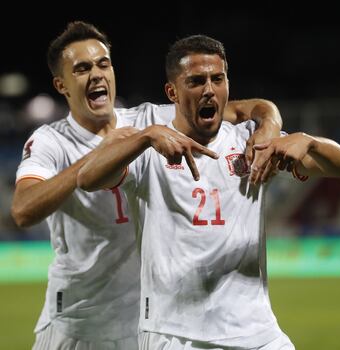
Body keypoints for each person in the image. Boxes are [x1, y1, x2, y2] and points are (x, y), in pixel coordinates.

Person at [11, 22, 284, 350]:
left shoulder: (149, 118)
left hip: (143, 326)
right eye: (82, 69)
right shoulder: (50, 142)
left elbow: (245, 109)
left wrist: (270, 123)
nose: (97, 74)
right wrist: (109, 152)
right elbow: (24, 210)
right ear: (62, 84)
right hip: (78, 322)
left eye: (103, 63)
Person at [77, 34, 340, 350]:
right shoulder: (151, 148)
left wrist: (309, 141)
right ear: (173, 92)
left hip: (258, 332)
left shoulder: (253, 142)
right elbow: (87, 178)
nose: (209, 89)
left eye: (217, 79)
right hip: (177, 334)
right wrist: (144, 138)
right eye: (195, 81)